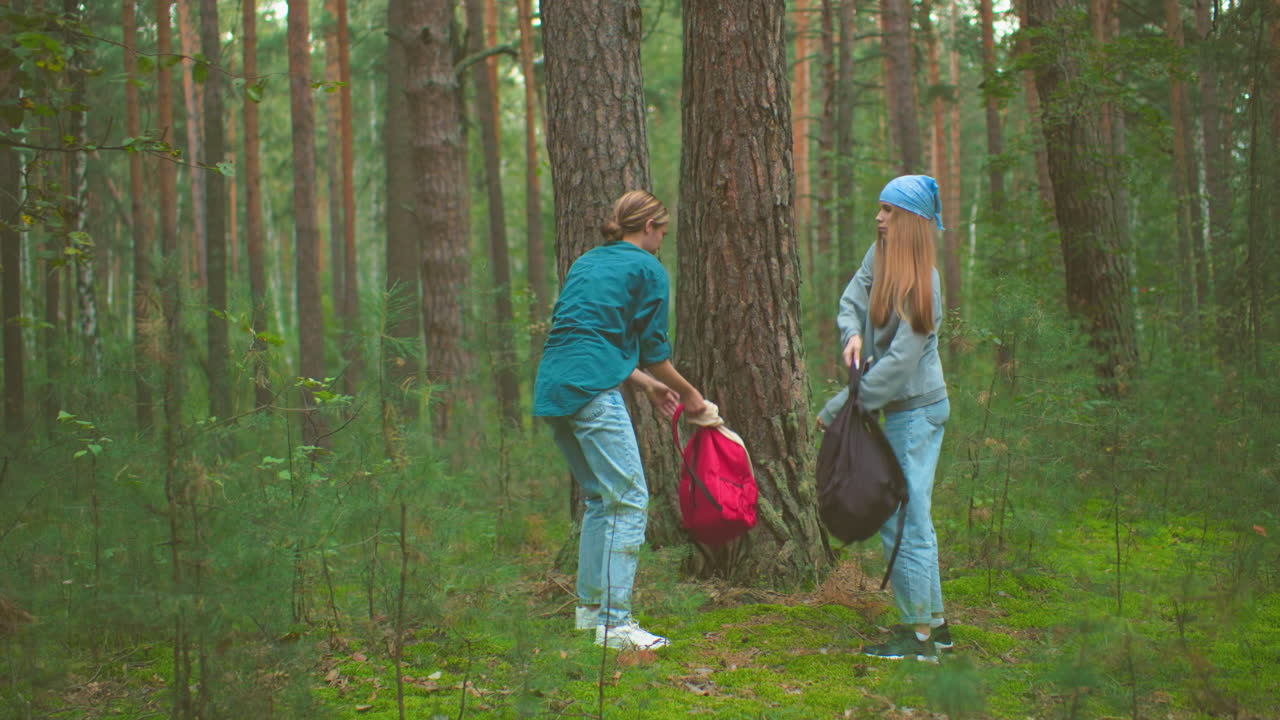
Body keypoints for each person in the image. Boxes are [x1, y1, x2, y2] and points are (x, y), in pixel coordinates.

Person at [533, 190, 707, 651]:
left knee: (600, 499)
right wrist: (692, 397)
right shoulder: (648, 268)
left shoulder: (587, 262)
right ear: (648, 227)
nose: (662, 240)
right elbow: (655, 353)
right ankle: (615, 625)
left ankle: (591, 616)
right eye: (662, 231)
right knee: (628, 500)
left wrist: (646, 385)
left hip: (554, 388)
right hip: (592, 389)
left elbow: (586, 335)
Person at [817, 175, 952, 661]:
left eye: (889, 210)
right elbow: (851, 301)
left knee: (902, 518)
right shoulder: (879, 258)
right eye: (879, 207)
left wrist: (841, 408)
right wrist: (851, 333)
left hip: (916, 412)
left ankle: (919, 639)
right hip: (897, 410)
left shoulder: (923, 284)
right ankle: (934, 627)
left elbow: (898, 365)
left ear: (911, 220)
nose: (879, 217)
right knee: (911, 517)